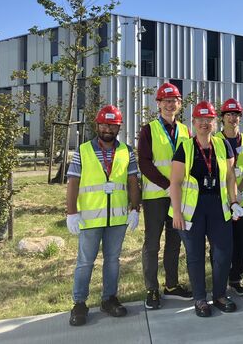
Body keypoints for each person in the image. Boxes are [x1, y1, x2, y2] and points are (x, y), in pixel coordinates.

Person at [67, 105, 141, 326]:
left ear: (118, 127)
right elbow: (73, 182)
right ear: (97, 125)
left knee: (112, 261)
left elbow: (133, 182)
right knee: (85, 262)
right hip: (90, 219)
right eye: (104, 124)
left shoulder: (127, 151)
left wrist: (135, 209)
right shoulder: (83, 150)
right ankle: (79, 304)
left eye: (113, 125)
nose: (108, 128)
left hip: (117, 219)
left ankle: (109, 299)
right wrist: (71, 212)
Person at [170, 101, 243, 317]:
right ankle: (200, 299)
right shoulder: (185, 147)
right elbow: (174, 182)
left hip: (218, 207)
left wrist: (234, 202)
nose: (204, 123)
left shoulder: (223, 145)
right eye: (200, 119)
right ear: (193, 122)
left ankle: (220, 295)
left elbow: (231, 177)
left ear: (214, 122)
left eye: (208, 119)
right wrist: (176, 212)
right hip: (192, 210)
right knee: (195, 254)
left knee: (223, 252)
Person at [138, 82, 192, 309]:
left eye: (175, 101)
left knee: (174, 242)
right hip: (155, 197)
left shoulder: (185, 130)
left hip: (178, 196)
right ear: (158, 104)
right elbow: (144, 163)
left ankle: (171, 285)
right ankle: (152, 289)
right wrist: (166, 185)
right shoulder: (149, 129)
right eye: (166, 101)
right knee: (152, 244)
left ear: (180, 104)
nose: (171, 105)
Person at [215, 98, 243, 297]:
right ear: (222, 118)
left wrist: (238, 190)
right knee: (221, 241)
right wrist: (229, 194)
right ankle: (219, 277)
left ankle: (236, 278)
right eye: (229, 115)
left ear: (240, 117)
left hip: (242, 201)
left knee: (241, 242)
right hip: (222, 201)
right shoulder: (215, 141)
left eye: (236, 115)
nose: (232, 118)